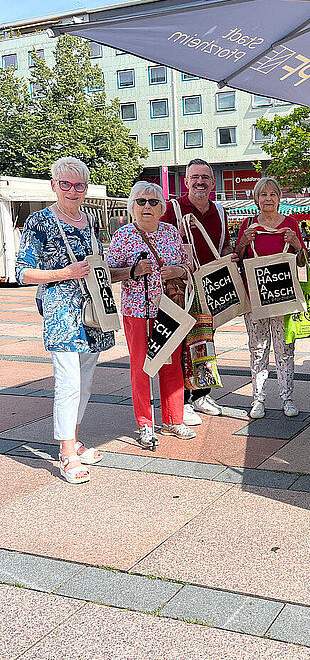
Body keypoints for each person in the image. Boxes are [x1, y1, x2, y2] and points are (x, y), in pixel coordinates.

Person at [16, 157, 115, 484]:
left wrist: (127, 272)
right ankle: (66, 452)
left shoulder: (91, 221)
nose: (73, 191)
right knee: (69, 380)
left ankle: (73, 439)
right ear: (54, 185)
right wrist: (64, 273)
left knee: (85, 380)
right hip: (61, 311)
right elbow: (23, 272)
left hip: (92, 309)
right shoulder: (39, 222)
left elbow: (98, 265)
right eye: (66, 184)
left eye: (79, 185)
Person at [107, 182, 195, 449]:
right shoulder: (122, 236)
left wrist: (179, 270)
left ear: (162, 208)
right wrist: (133, 271)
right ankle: (145, 424)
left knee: (171, 364)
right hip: (137, 312)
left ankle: (173, 419)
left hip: (169, 309)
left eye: (154, 202)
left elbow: (188, 264)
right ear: (132, 206)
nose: (147, 206)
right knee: (141, 368)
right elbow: (108, 273)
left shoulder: (170, 232)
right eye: (142, 201)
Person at [163, 158, 232, 426]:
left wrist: (231, 256)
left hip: (210, 285)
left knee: (205, 340)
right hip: (180, 289)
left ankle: (201, 393)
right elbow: (159, 243)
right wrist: (176, 235)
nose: (200, 182)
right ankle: (183, 400)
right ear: (186, 181)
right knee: (181, 343)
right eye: (195, 177)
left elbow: (223, 246)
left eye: (205, 177)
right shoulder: (173, 209)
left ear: (213, 183)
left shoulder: (221, 212)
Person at [235, 177, 306, 419]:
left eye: (272, 194)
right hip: (255, 298)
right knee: (257, 349)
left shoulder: (291, 225)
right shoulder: (248, 225)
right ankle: (258, 398)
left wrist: (297, 245)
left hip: (283, 296)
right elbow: (237, 259)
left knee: (285, 348)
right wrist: (243, 243)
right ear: (256, 199)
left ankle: (287, 398)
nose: (268, 198)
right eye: (263, 194)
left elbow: (303, 262)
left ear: (279, 198)